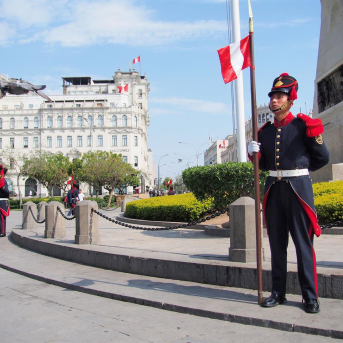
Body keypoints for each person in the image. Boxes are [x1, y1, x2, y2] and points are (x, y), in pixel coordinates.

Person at [248, 73, 330, 314]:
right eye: (272, 96)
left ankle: (310, 296)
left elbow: (322, 157)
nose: (274, 101)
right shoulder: (264, 132)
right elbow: (262, 167)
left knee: (303, 244)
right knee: (276, 244)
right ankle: (278, 292)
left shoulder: (304, 125)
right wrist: (255, 154)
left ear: (290, 100)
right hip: (274, 190)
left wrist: (300, 171)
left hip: (298, 190)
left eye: (279, 96)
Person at [0, 165, 10, 237]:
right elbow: (6, 192)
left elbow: (5, 191)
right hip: (2, 201)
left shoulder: (2, 181)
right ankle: (2, 231)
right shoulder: (2, 181)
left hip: (2, 201)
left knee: (1, 218)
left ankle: (2, 231)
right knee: (1, 218)